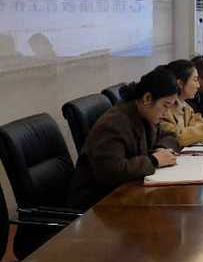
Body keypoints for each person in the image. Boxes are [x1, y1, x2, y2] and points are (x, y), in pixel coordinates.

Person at [67, 67, 180, 210]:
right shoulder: (114, 123)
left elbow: (169, 135)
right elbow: (111, 171)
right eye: (165, 106)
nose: (167, 113)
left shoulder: (145, 113)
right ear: (147, 98)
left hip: (128, 192)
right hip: (99, 203)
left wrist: (162, 149)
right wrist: (154, 160)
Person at [160, 60, 203, 147]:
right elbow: (175, 137)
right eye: (195, 80)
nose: (198, 85)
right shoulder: (163, 109)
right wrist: (201, 131)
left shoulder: (186, 107)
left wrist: (192, 132)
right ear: (180, 83)